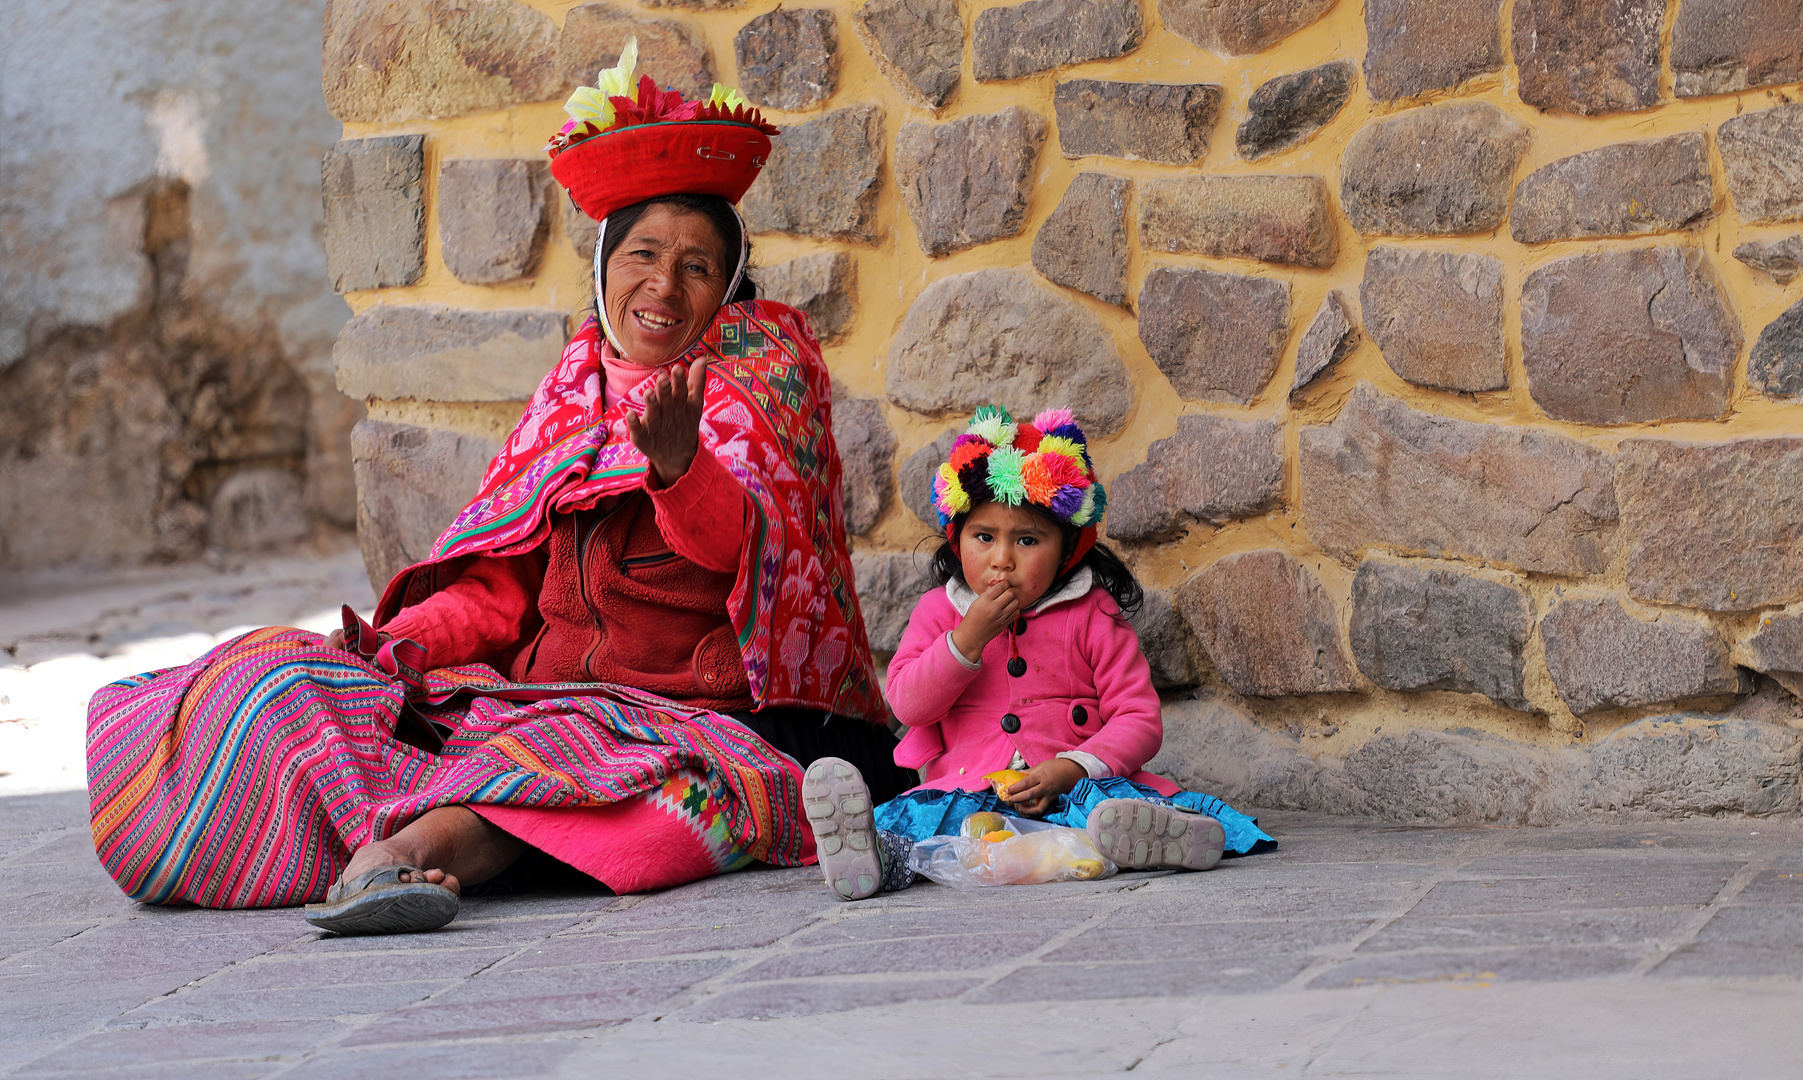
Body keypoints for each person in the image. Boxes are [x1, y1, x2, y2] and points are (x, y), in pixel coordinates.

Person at [86, 42, 908, 935]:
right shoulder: (570, 392)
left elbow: (753, 565)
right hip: (529, 694)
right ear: (603, 269)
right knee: (276, 675)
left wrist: (679, 468)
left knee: (575, 771)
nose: (663, 286)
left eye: (696, 266)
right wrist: (394, 648)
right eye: (641, 254)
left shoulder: (763, 374)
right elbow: (498, 583)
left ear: (727, 288)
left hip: (686, 712)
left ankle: (391, 861)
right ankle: (366, 835)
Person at [801, 406, 1276, 900]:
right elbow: (907, 704)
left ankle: (1145, 840)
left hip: (1072, 789)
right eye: (983, 537)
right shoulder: (939, 612)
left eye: (1027, 540)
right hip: (965, 795)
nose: (1002, 559)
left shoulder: (1092, 612)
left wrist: (1071, 767)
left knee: (1096, 821)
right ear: (957, 537)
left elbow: (1137, 717)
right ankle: (869, 858)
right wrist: (968, 639)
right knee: (932, 838)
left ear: (1068, 547)